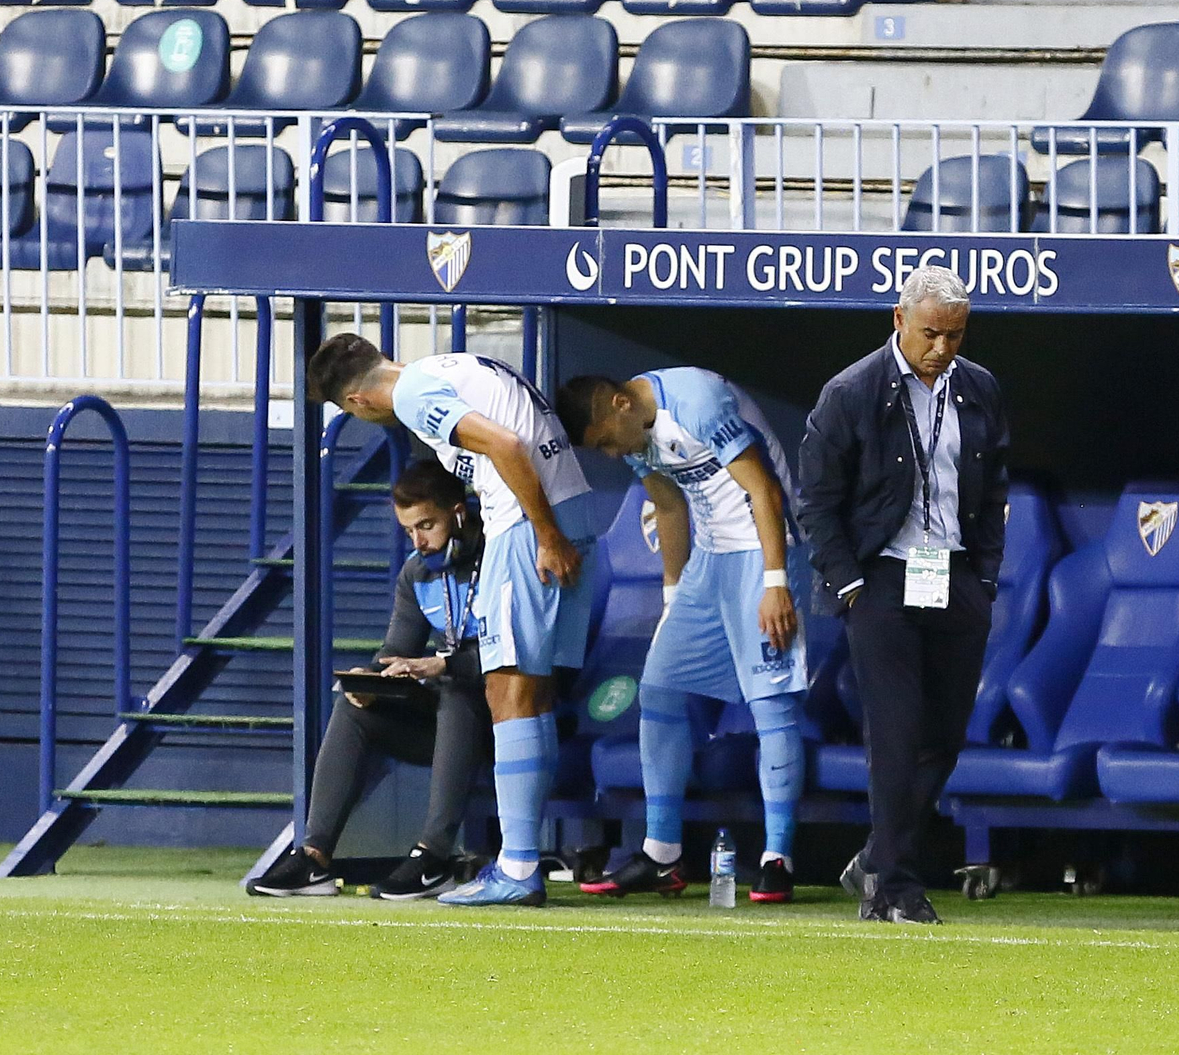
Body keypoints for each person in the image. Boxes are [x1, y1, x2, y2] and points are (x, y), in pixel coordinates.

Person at [306, 336, 597, 908]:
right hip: (568, 505)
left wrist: (544, 534)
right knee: (529, 691)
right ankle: (521, 862)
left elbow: (508, 445)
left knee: (506, 687)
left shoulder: (414, 393)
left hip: (528, 523)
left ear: (360, 401)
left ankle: (516, 868)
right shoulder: (448, 369)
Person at [797, 265, 1009, 924]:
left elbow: (994, 485)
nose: (943, 348)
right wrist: (852, 583)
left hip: (954, 574)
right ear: (898, 318)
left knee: (944, 735)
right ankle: (896, 886)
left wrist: (985, 578)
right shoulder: (851, 392)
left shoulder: (978, 389)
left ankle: (876, 857)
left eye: (955, 335)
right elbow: (816, 503)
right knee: (895, 732)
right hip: (881, 576)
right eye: (931, 333)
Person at [557, 368, 809, 903]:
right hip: (709, 564)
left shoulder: (697, 400)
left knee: (771, 703)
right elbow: (668, 505)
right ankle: (662, 853)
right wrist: (673, 598)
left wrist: (775, 582)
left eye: (604, 441)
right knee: (659, 690)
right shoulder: (635, 434)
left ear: (621, 404)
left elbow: (763, 489)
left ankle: (777, 857)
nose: (607, 454)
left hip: (768, 552)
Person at [247, 460, 493, 901]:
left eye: (427, 525)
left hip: (504, 719)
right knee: (354, 705)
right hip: (447, 720)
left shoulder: (498, 558)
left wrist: (444, 666)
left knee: (456, 689)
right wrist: (372, 678)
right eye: (408, 531)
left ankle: (433, 859)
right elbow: (395, 649)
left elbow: (518, 654)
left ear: (458, 514)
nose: (418, 541)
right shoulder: (417, 574)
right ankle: (314, 857)